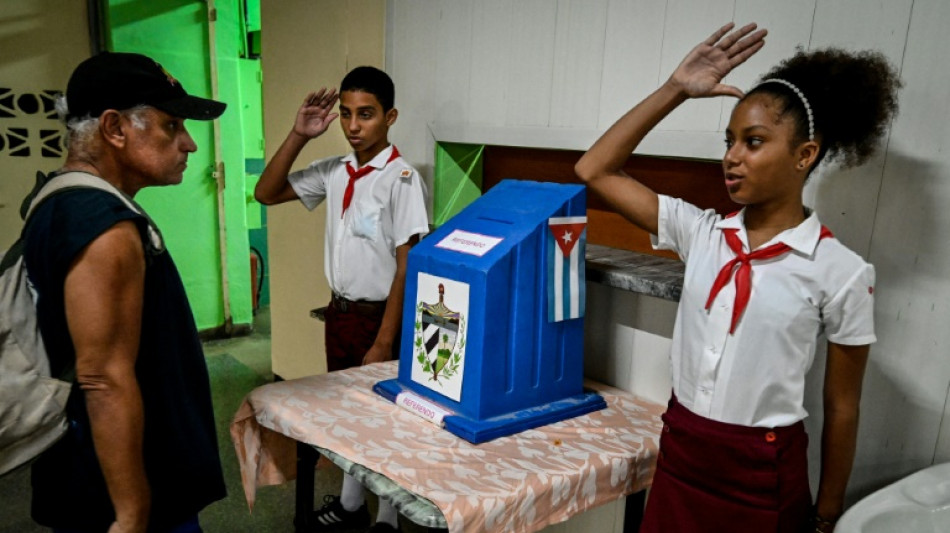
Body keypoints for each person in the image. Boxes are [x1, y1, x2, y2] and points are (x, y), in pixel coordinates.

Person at [575, 23, 900, 533]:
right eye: (729, 141)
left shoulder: (840, 270)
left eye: (753, 142)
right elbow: (595, 168)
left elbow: (841, 407)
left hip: (761, 479)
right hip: (682, 456)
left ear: (804, 154)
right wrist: (675, 89)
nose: (731, 157)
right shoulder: (700, 232)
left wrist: (827, 514)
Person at [23, 52, 228, 533]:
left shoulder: (59, 199)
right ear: (114, 128)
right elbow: (103, 380)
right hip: (124, 494)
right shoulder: (103, 226)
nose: (190, 144)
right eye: (170, 125)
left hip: (87, 470)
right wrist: (132, 514)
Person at [254, 66, 428, 533]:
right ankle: (352, 504)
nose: (353, 126)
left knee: (385, 419)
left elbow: (408, 266)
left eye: (366, 115)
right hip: (341, 315)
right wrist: (298, 134)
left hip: (380, 320)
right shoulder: (336, 171)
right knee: (348, 415)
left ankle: (387, 517)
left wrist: (385, 340)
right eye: (347, 115)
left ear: (390, 117)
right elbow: (265, 193)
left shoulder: (401, 179)